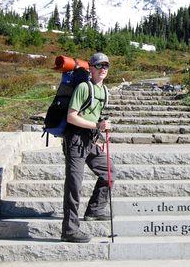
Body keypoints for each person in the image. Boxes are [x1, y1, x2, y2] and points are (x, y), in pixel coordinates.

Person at [61, 52, 114, 243]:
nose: (103, 69)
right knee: (74, 184)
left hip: (91, 140)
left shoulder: (105, 91)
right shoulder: (84, 87)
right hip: (75, 139)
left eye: (106, 66)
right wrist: (96, 126)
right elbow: (71, 116)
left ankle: (94, 209)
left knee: (108, 172)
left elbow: (95, 116)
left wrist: (99, 137)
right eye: (99, 66)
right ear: (90, 68)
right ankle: (69, 230)